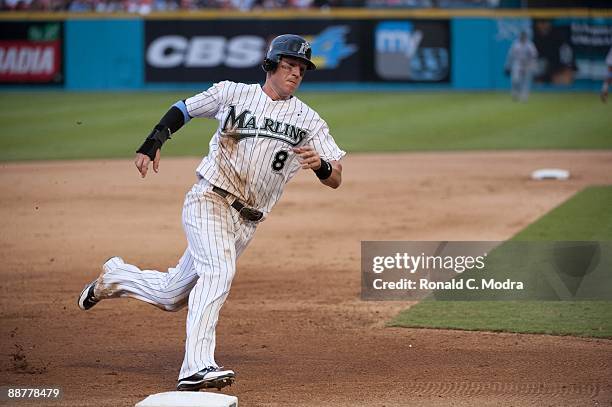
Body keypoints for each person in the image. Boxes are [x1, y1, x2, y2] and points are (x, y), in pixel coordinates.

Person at [77, 34, 345, 392]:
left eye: (301, 69)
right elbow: (184, 108)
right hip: (210, 199)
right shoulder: (231, 93)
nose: (295, 73)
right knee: (219, 272)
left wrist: (322, 165)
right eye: (288, 65)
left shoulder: (309, 120)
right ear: (270, 65)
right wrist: (153, 141)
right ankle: (197, 366)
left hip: (247, 221)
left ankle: (115, 278)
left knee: (172, 295)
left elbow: (337, 176)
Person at [505, 31, 538, 102]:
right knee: (515, 80)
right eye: (521, 36)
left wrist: (532, 65)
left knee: (526, 81)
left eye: (524, 36)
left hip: (527, 64)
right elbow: (510, 55)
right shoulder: (516, 44)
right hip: (517, 63)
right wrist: (507, 65)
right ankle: (515, 93)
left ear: (526, 37)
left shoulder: (529, 44)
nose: (522, 37)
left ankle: (524, 96)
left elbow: (534, 55)